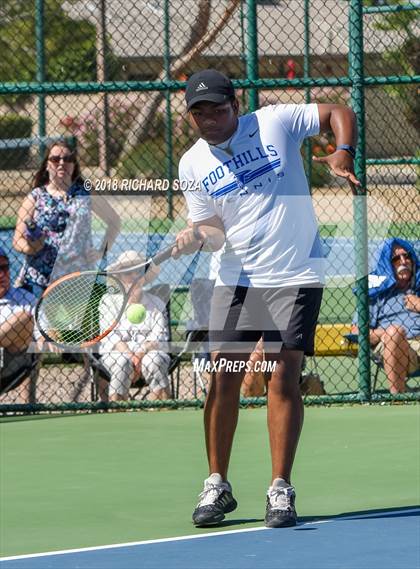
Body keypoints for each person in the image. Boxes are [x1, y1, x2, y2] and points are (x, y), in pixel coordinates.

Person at [172, 69, 359, 528]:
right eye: (200, 111)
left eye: (218, 108)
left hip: (295, 273)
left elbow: (339, 111)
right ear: (191, 116)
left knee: (282, 377)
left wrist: (341, 151)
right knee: (223, 379)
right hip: (236, 278)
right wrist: (197, 233)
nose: (210, 118)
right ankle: (217, 484)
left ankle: (280, 489)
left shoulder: (275, 121)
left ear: (235, 105)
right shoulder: (193, 164)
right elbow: (215, 230)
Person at [13, 141, 121, 298]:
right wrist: (32, 248)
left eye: (68, 159)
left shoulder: (86, 192)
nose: (62, 163)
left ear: (74, 164)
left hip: (78, 278)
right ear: (47, 165)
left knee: (80, 322)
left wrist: (101, 251)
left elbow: (114, 221)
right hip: (41, 278)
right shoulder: (36, 197)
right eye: (56, 159)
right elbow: (17, 240)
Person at [98, 251, 171, 402]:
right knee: (122, 361)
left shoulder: (157, 303)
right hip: (116, 355)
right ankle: (117, 412)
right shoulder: (108, 302)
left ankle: (158, 410)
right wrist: (130, 356)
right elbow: (111, 336)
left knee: (155, 359)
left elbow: (159, 336)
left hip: (148, 353)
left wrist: (140, 353)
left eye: (138, 271)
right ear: (119, 277)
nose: (133, 276)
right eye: (127, 273)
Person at [351, 238, 420, 394]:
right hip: (395, 345)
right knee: (395, 332)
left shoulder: (418, 288)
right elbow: (356, 331)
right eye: (396, 258)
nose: (404, 261)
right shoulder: (376, 294)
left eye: (407, 256)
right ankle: (398, 395)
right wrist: (385, 333)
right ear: (387, 264)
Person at [0, 248, 36, 396]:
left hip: (13, 364)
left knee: (23, 317)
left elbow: (42, 334)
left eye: (4, 267)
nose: (2, 274)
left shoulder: (25, 298)